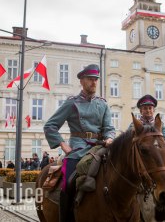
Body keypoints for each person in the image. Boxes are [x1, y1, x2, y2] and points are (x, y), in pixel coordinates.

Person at [44, 64, 115, 222]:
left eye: (95, 79)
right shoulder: (72, 103)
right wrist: (62, 144)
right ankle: (66, 218)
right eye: (90, 79)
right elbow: (50, 126)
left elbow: (109, 128)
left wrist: (110, 138)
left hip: (100, 146)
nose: (94, 83)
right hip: (78, 148)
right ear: (82, 81)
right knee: (68, 183)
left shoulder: (102, 104)